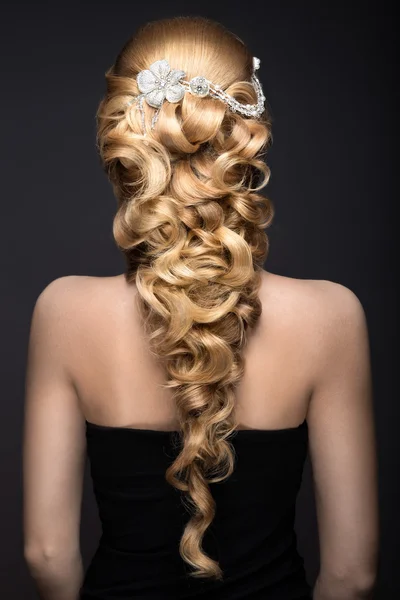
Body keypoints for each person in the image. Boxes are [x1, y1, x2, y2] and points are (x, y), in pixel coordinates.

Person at [22, 15, 379, 600]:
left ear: (124, 141)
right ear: (246, 131)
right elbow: (351, 574)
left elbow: (47, 553)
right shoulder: (332, 318)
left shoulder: (63, 311)